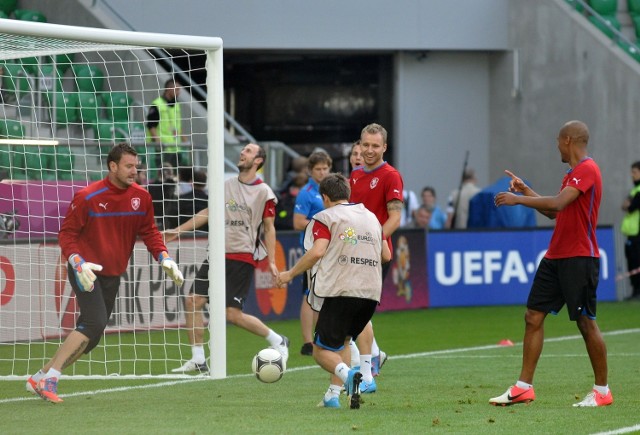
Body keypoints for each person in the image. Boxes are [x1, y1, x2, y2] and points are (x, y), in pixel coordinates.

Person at [26, 143, 185, 403]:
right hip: (85, 270)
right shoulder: (87, 196)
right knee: (94, 322)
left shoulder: (142, 198)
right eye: (129, 166)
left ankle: (39, 376)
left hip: (113, 272)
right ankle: (51, 380)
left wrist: (164, 257)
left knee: (92, 339)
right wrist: (77, 261)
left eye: (136, 166)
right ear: (113, 166)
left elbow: (150, 233)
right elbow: (67, 234)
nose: (135, 171)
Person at [491, 120, 613, 407]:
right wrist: (527, 190)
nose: (556, 146)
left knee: (585, 322)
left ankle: (602, 391)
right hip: (556, 257)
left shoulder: (587, 169)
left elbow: (557, 204)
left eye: (558, 141)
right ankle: (523, 387)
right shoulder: (572, 174)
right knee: (533, 316)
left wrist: (519, 199)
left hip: (580, 257)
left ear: (568, 140)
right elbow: (554, 213)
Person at [165, 143, 289, 373]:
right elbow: (208, 212)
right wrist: (178, 230)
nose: (242, 153)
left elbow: (269, 228)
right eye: (243, 150)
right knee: (193, 301)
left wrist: (271, 261)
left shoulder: (264, 192)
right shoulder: (226, 186)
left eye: (249, 151)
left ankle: (278, 340)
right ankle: (198, 358)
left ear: (258, 161)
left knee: (232, 314)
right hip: (216, 254)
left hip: (240, 256)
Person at [276, 173, 391, 409]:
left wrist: (290, 273)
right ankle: (333, 396)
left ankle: (349, 376)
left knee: (320, 352)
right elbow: (386, 256)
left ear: (325, 197)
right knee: (345, 342)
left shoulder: (325, 217)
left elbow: (317, 251)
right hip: (370, 294)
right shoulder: (371, 217)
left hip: (341, 291)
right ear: (348, 193)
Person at [349, 123, 404, 379]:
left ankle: (367, 363)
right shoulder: (355, 176)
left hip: (377, 253)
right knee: (352, 306)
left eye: (375, 146)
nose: (369, 150)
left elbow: (395, 218)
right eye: (365, 145)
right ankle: (374, 355)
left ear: (384, 147)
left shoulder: (390, 175)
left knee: (357, 307)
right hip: (351, 250)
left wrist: (373, 239)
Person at [293, 151, 332, 356]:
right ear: (310, 170)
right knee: (310, 294)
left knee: (324, 294)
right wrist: (324, 225)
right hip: (313, 248)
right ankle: (308, 342)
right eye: (318, 169)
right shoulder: (307, 192)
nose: (322, 172)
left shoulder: (332, 189)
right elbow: (298, 222)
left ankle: (322, 337)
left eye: (325, 168)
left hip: (330, 250)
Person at [146, 78, 189, 168]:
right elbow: (151, 126)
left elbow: (178, 125)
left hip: (176, 147)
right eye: (177, 89)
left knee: (176, 176)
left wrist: (186, 140)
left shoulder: (176, 104)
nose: (179, 92)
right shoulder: (157, 104)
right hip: (163, 149)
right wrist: (159, 142)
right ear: (169, 89)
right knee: (164, 176)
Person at [620, 161, 640, 301]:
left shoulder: (638, 191)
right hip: (631, 233)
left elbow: (630, 206)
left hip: (637, 233)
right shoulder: (634, 190)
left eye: (635, 172)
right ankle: (635, 291)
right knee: (632, 262)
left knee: (637, 262)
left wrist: (629, 204)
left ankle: (638, 291)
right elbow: (624, 205)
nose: (632, 175)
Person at [147, 162, 178, 231]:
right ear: (171, 173)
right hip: (172, 220)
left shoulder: (151, 187)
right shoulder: (173, 185)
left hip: (156, 219)